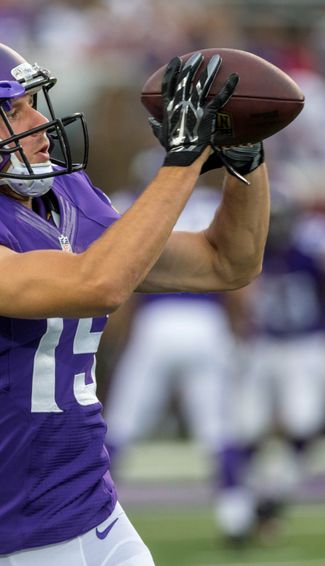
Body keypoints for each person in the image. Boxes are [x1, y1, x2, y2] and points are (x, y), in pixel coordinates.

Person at [0, 38, 270, 565]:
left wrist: (245, 156)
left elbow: (228, 262)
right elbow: (97, 284)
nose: (38, 121)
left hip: (91, 503)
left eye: (32, 102)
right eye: (11, 110)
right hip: (3, 525)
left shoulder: (66, 197)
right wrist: (181, 161)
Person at [217, 191, 325, 545]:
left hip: (308, 344)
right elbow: (234, 292)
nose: (277, 228)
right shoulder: (253, 241)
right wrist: (238, 336)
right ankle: (249, 500)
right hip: (264, 343)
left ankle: (276, 495)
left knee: (303, 421)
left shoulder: (314, 242)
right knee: (246, 425)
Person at [102, 185, 239, 532]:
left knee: (122, 423)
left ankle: (94, 509)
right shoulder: (211, 204)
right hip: (208, 321)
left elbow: (120, 278)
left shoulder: (132, 203)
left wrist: (118, 339)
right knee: (217, 427)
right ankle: (235, 516)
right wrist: (239, 331)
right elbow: (237, 270)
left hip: (157, 321)